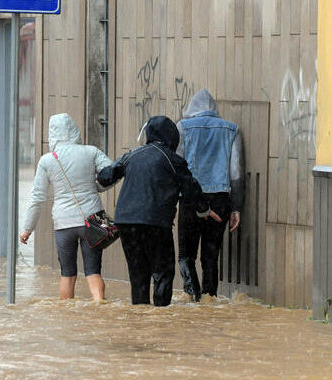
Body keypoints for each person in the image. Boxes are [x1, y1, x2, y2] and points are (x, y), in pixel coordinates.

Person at [97, 116, 221, 307]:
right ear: (172, 137)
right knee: (163, 272)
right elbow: (191, 189)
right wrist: (204, 210)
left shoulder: (132, 155)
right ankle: (160, 317)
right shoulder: (173, 160)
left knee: (138, 274)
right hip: (155, 223)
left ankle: (141, 318)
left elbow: (105, 176)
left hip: (126, 222)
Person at [19, 113, 112, 301]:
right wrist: (96, 188)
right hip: (92, 221)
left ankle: (66, 314)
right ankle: (100, 309)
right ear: (75, 130)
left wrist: (28, 229)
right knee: (93, 272)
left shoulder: (47, 160)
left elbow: (38, 197)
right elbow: (112, 173)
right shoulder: (91, 152)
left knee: (67, 274)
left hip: (64, 224)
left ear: (52, 134)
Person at [176, 89, 244, 301]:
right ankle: (209, 298)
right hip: (220, 198)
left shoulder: (183, 127)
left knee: (186, 254)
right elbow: (236, 173)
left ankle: (192, 295)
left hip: (190, 198)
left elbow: (177, 167)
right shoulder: (232, 130)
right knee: (211, 256)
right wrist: (236, 208)